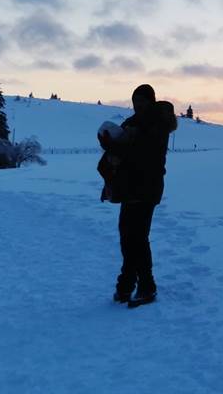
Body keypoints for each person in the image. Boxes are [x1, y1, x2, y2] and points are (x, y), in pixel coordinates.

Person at [97, 84, 178, 305]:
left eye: (142, 101)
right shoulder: (132, 123)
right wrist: (109, 146)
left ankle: (146, 286)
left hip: (146, 187)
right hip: (129, 187)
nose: (138, 105)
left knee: (138, 238)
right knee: (127, 238)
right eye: (135, 101)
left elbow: (142, 154)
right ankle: (126, 285)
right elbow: (120, 154)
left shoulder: (157, 124)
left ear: (151, 101)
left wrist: (115, 146)